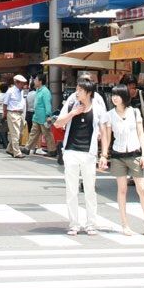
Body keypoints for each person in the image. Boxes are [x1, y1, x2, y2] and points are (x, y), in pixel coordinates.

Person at [53, 78, 107, 236]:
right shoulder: (71, 103)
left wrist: (104, 154)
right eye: (77, 89)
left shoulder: (97, 106)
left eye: (80, 90)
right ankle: (74, 224)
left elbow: (103, 130)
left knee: (90, 190)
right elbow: (57, 123)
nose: (77, 93)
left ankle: (91, 224)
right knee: (71, 190)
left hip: (89, 153)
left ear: (88, 93)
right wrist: (72, 113)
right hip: (70, 151)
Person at [100, 85, 144, 237]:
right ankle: (124, 224)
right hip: (118, 155)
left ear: (124, 96)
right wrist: (104, 155)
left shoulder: (135, 112)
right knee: (122, 190)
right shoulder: (109, 115)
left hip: (135, 153)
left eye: (117, 95)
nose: (114, 98)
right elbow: (108, 137)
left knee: (142, 189)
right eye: (113, 95)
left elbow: (141, 134)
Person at [24, 76, 53, 156]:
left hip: (44, 117)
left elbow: (47, 104)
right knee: (33, 133)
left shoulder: (45, 91)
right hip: (37, 116)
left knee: (47, 134)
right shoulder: (38, 90)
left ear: (40, 81)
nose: (34, 81)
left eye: (36, 80)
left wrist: (48, 115)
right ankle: (27, 148)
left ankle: (52, 150)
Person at [3, 75, 28, 157]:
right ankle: (17, 152)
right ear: (17, 83)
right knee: (15, 133)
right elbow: (5, 104)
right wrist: (5, 114)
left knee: (19, 133)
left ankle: (10, 149)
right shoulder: (10, 91)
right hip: (12, 113)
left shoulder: (22, 91)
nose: (23, 85)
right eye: (22, 83)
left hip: (21, 113)